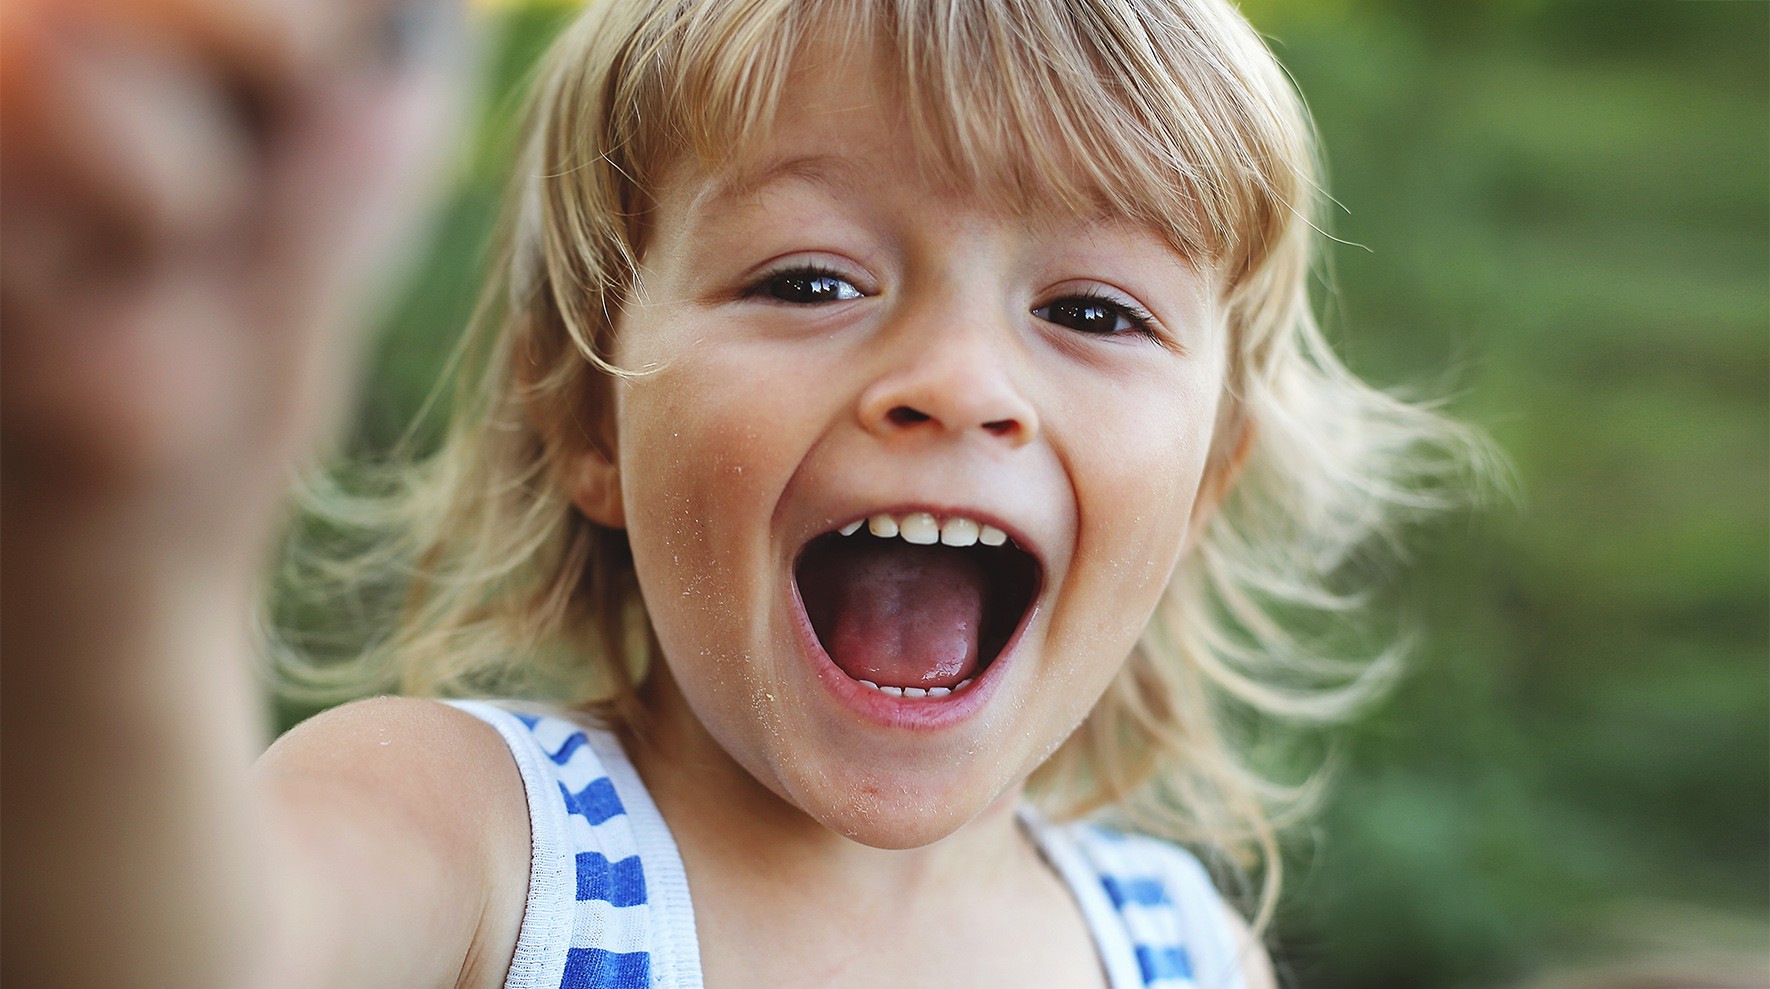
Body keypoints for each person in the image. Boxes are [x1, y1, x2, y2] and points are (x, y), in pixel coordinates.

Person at [1, 0, 1485, 986]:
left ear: (1208, 475)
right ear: (585, 411)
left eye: (1094, 313)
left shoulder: (1180, 953)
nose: (961, 382)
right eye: (810, 277)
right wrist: (109, 564)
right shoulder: (475, 838)